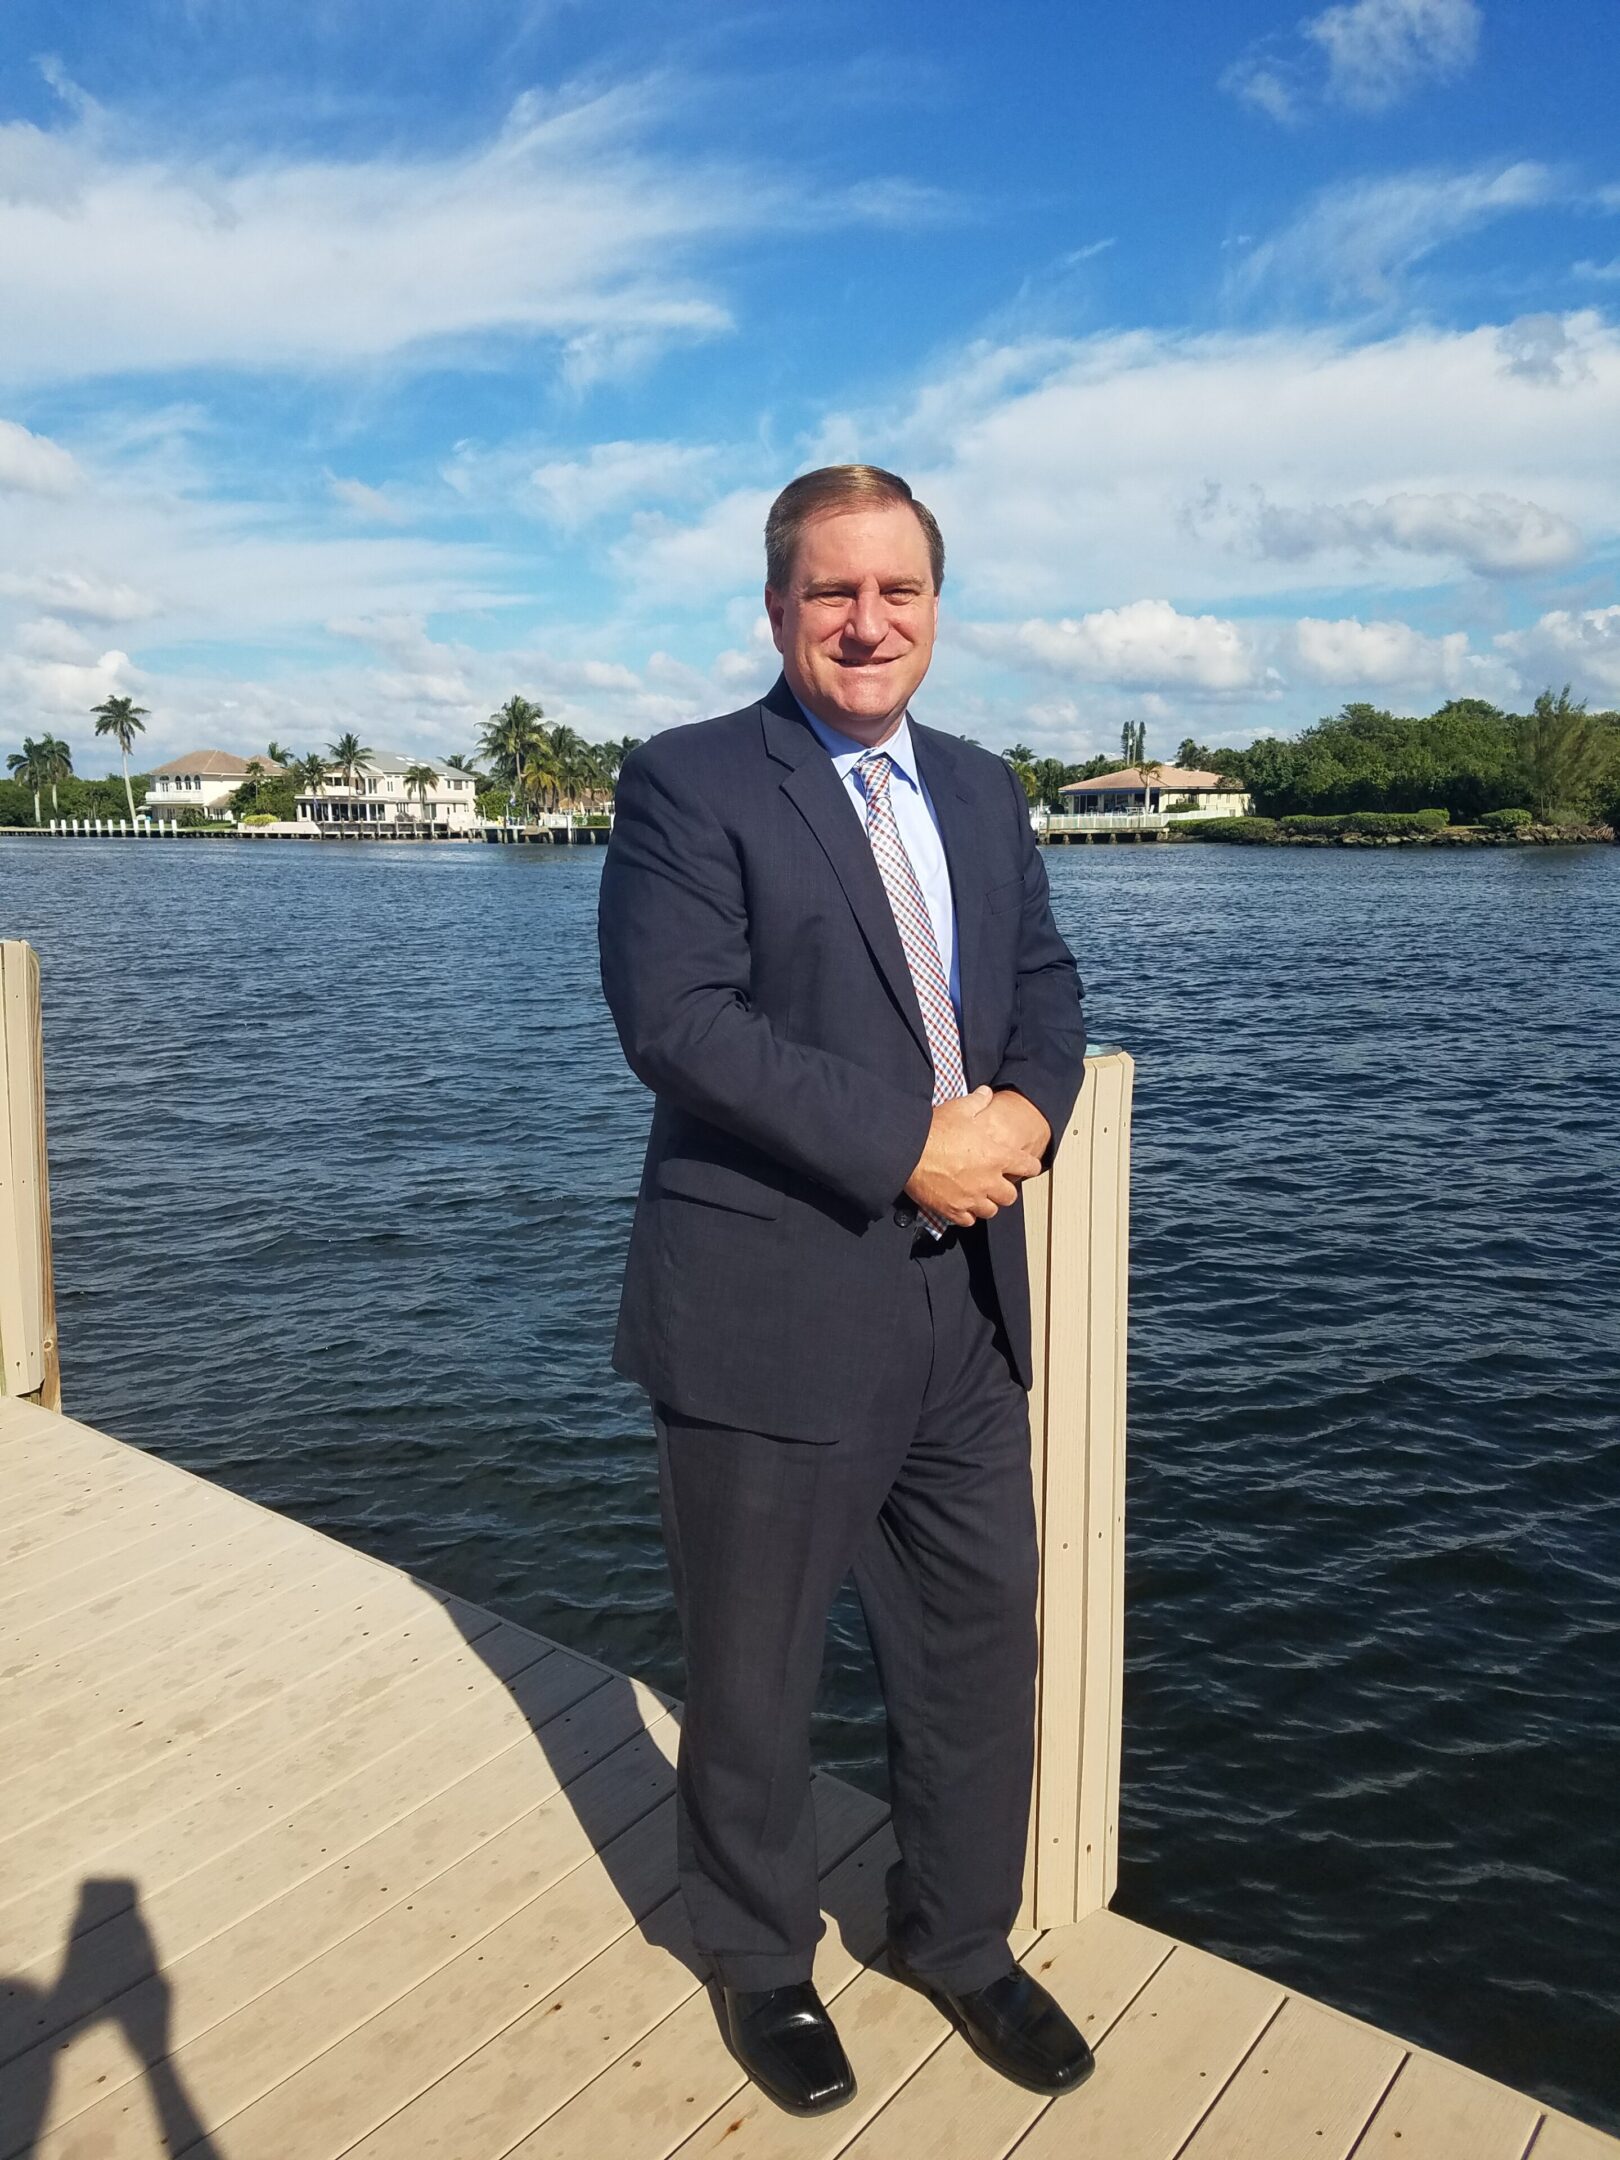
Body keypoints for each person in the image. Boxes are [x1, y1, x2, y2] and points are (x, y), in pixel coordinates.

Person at [596, 463, 1092, 2116]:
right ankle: (756, 1957)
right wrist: (911, 1147)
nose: (868, 622)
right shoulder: (689, 780)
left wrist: (1025, 1116)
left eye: (898, 591)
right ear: (778, 609)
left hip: (966, 1305)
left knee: (975, 1649)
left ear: (936, 608)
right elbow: (681, 1023)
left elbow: (1043, 985)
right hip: (771, 1305)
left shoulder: (985, 788)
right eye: (833, 591)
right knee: (755, 1672)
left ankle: (959, 1938)